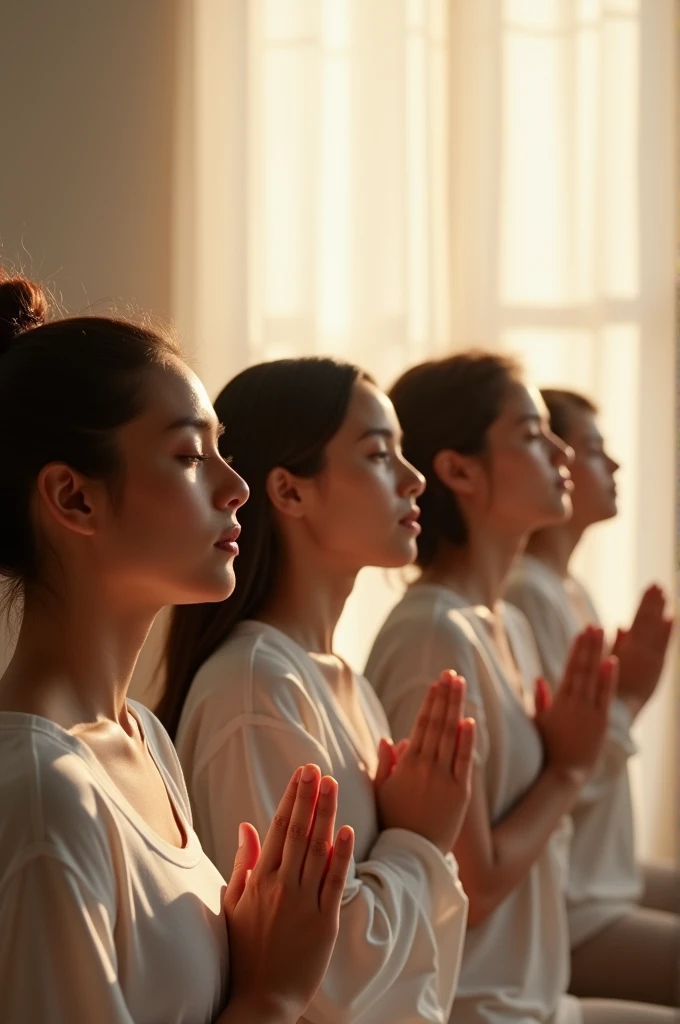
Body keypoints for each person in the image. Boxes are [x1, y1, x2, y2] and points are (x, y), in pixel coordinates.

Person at [0, 274, 355, 1024]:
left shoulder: (144, 740)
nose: (237, 488)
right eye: (192, 457)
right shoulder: (42, 800)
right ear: (74, 498)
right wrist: (271, 995)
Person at [365, 350, 680, 1024]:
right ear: (458, 470)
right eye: (535, 436)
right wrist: (571, 763)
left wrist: (609, 717)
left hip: (536, 993)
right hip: (487, 1006)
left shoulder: (501, 620)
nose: (564, 453)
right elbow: (472, 891)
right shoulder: (433, 638)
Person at [158, 356, 474, 1024]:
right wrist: (418, 839)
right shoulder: (256, 689)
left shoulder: (339, 678)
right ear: (291, 491)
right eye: (379, 453)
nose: (413, 479)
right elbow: (331, 986)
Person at [506, 387, 679, 1006]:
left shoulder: (566, 589)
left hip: (603, 878)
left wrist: (630, 696)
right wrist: (629, 697)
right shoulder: (529, 595)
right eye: (596, 451)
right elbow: (561, 772)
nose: (615, 467)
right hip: (573, 900)